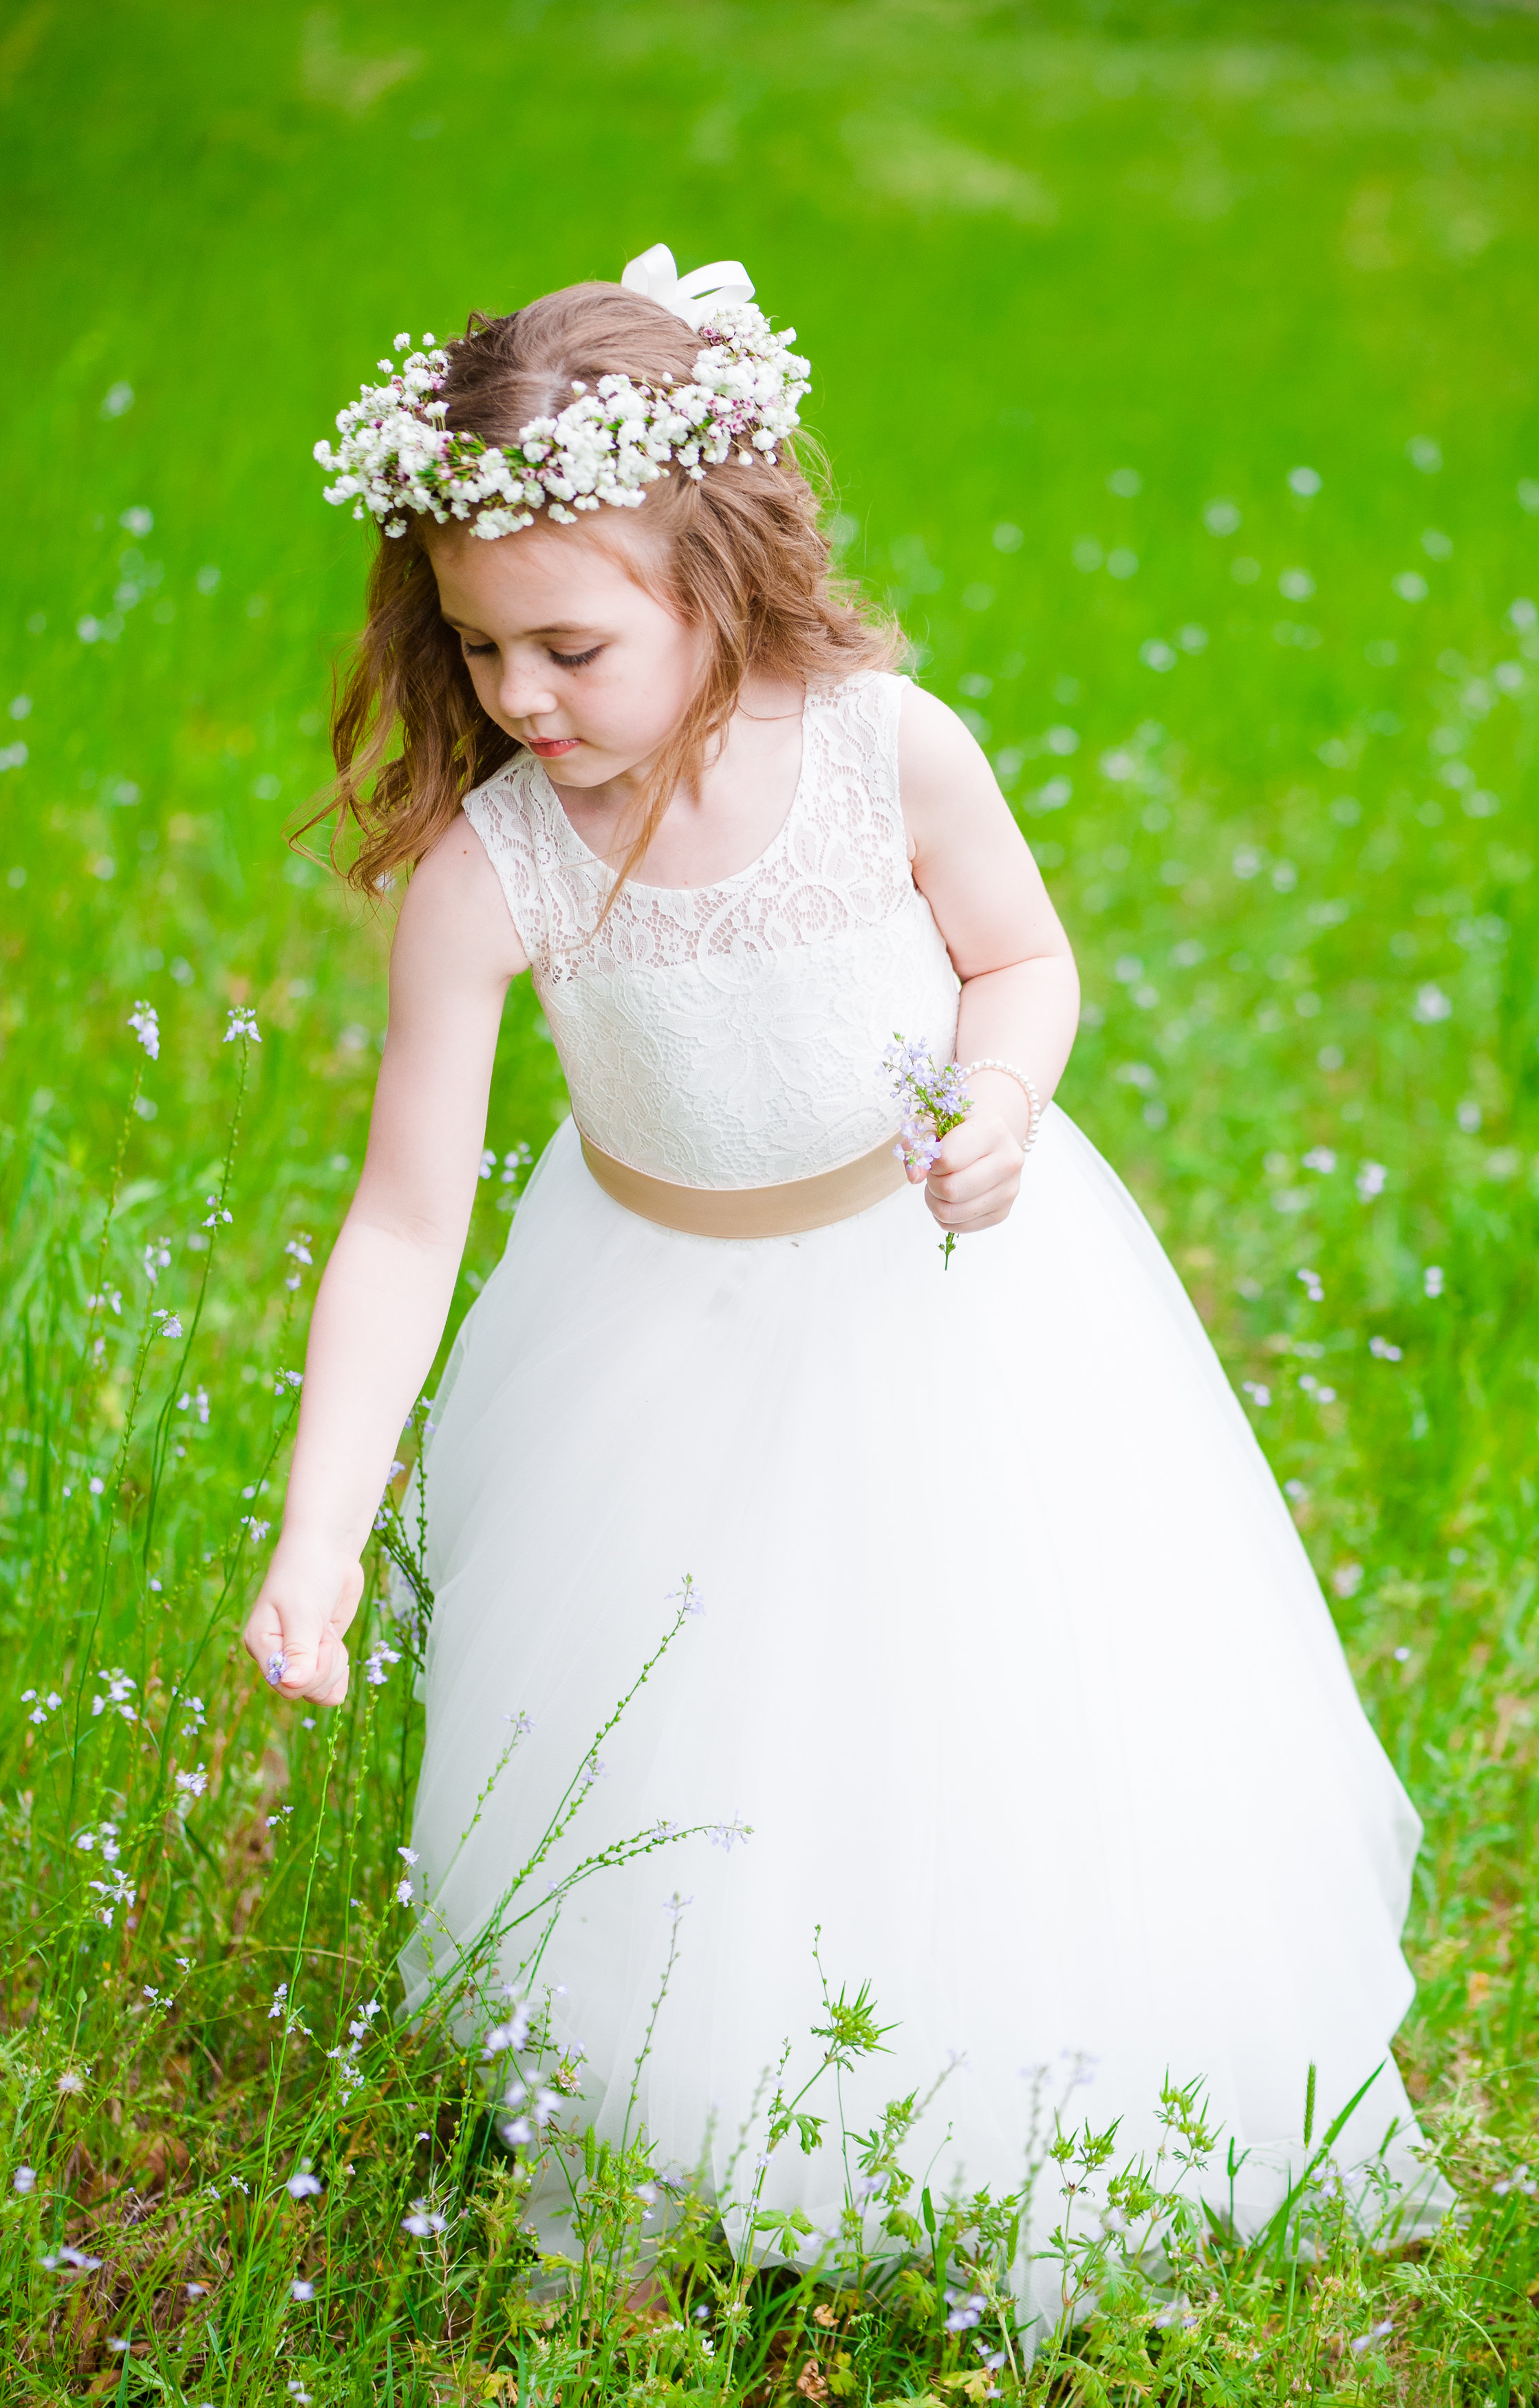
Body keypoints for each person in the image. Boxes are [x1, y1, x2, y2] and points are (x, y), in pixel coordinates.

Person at [244, 245, 1447, 2328]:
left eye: (569, 645)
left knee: (992, 1695)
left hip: (942, 1303)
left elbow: (1025, 955)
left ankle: (1031, 2082)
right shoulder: (494, 870)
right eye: (476, 647)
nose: (520, 697)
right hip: (651, 1335)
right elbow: (403, 1217)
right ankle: (696, 2094)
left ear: (716, 569)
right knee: (688, 1744)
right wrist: (321, 1527)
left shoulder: (886, 753)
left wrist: (997, 1098)